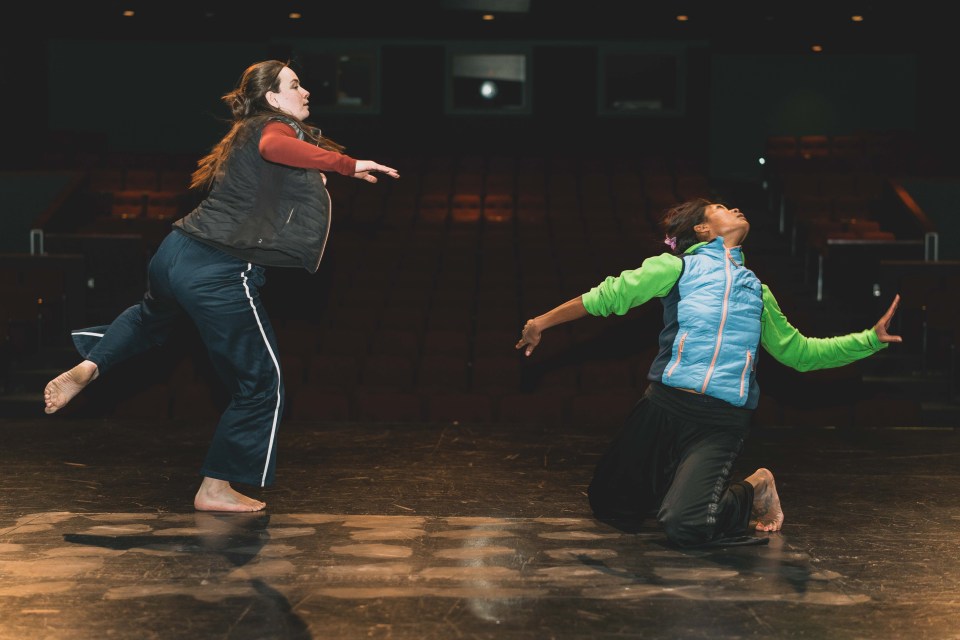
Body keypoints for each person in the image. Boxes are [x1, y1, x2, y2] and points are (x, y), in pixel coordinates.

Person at [42, 60, 399, 512]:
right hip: (220, 268)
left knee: (150, 318)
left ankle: (92, 365)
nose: (305, 90)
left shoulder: (247, 136)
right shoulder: (271, 128)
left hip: (173, 253)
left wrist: (321, 173)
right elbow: (275, 147)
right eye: (294, 84)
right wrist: (347, 165)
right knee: (260, 382)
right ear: (272, 98)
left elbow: (276, 171)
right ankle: (215, 488)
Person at [515, 198, 901, 547]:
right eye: (720, 207)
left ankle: (756, 488)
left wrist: (869, 339)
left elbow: (799, 353)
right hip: (664, 409)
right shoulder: (677, 268)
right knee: (609, 506)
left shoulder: (757, 292)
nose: (735, 209)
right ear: (702, 228)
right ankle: (678, 485)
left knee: (685, 524)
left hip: (721, 421)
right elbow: (607, 296)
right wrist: (542, 322)